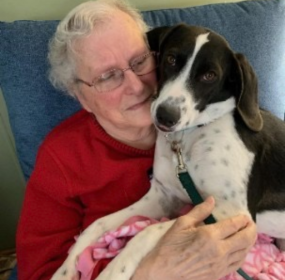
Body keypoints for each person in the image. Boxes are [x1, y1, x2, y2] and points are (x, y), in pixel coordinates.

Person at [16, 0, 257, 279]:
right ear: (81, 97)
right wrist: (150, 273)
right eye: (108, 76)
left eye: (139, 61)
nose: (136, 86)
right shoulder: (61, 158)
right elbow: (38, 273)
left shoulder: (210, 125)